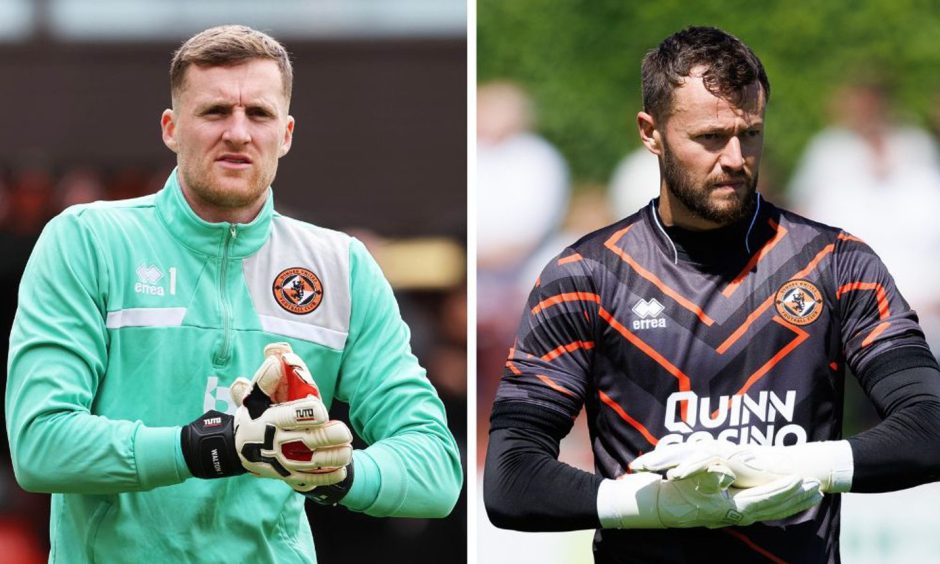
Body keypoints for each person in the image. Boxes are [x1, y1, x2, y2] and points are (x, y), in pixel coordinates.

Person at [483, 26, 940, 563]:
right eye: (709, 137)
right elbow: (511, 477)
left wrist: (785, 468)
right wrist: (651, 504)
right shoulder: (585, 276)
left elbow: (928, 426)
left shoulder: (838, 264)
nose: (734, 157)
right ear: (650, 132)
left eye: (749, 134)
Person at [6, 25, 461, 563]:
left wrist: (333, 471)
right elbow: (40, 444)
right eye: (216, 111)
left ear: (286, 134)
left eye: (259, 114)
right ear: (172, 129)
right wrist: (209, 445)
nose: (239, 133)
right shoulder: (87, 239)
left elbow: (437, 470)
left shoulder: (341, 266)